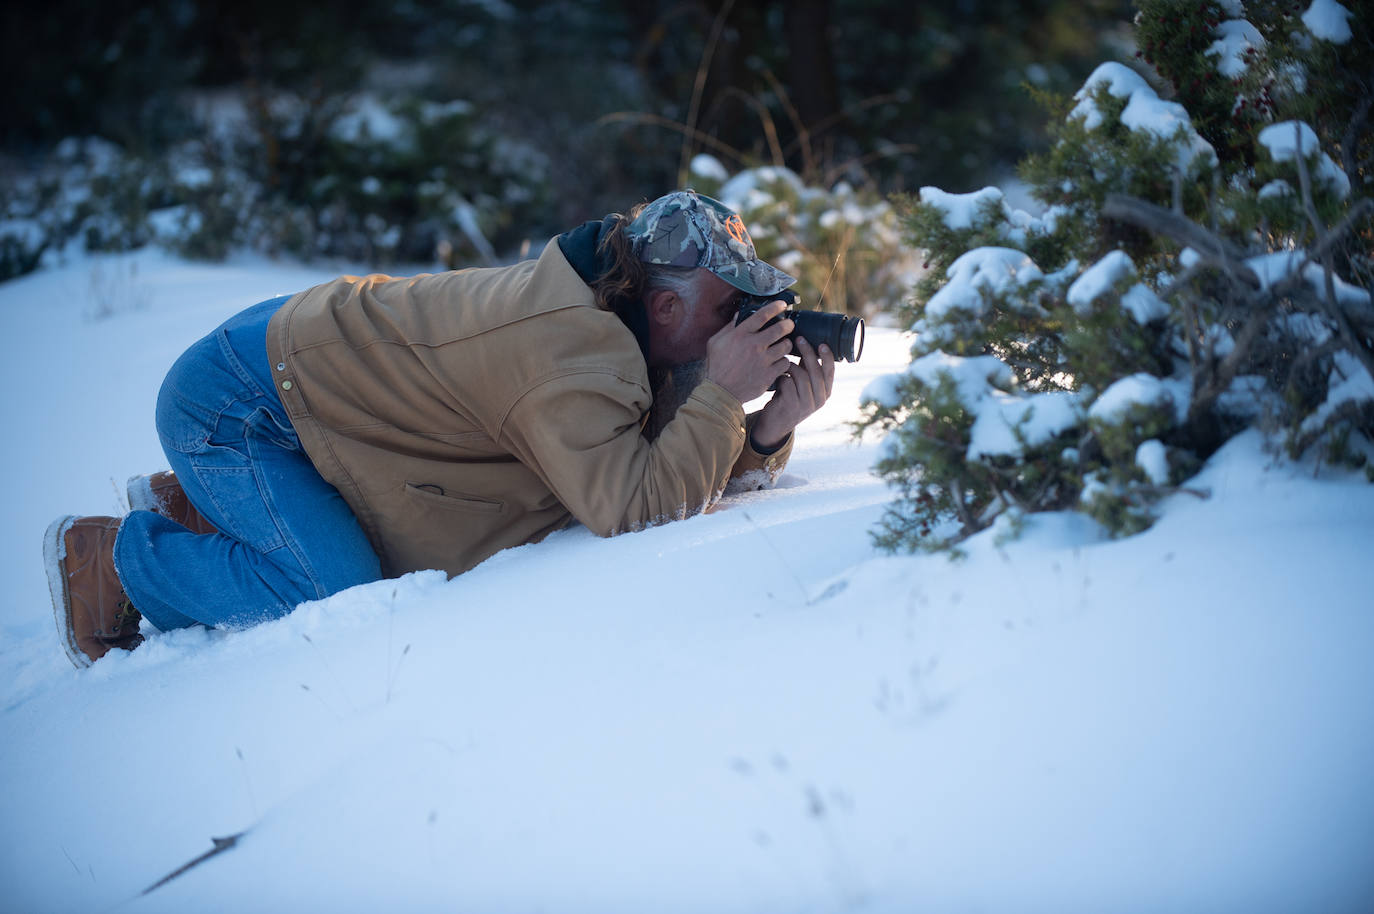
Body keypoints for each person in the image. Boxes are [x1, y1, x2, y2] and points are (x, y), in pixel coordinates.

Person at [44, 190, 836, 668]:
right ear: (664, 305)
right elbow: (632, 508)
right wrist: (726, 397)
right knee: (332, 590)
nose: (747, 324)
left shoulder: (624, 324)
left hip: (314, 392)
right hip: (239, 402)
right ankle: (116, 563)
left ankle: (203, 508)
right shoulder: (570, 351)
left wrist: (766, 429)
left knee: (340, 559)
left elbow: (666, 464)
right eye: (731, 308)